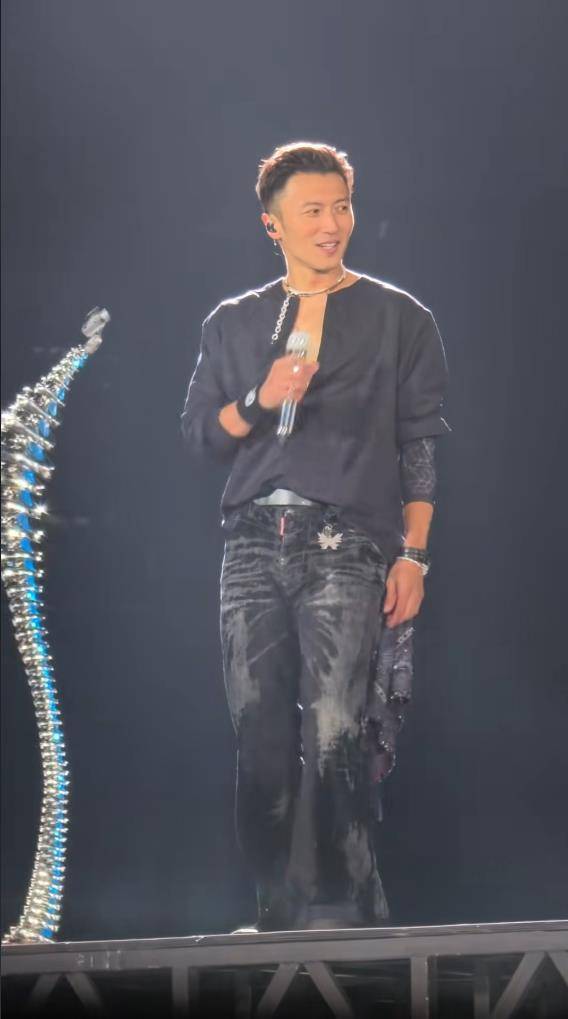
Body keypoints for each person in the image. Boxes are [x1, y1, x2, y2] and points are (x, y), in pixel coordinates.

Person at [181, 142, 450, 932]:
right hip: (251, 542)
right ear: (274, 224)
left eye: (341, 206)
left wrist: (414, 553)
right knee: (260, 735)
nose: (332, 223)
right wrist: (259, 398)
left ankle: (347, 910)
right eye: (313, 210)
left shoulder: (400, 317)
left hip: (346, 540)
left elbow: (419, 446)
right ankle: (277, 911)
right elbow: (202, 435)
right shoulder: (233, 322)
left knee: (335, 726)